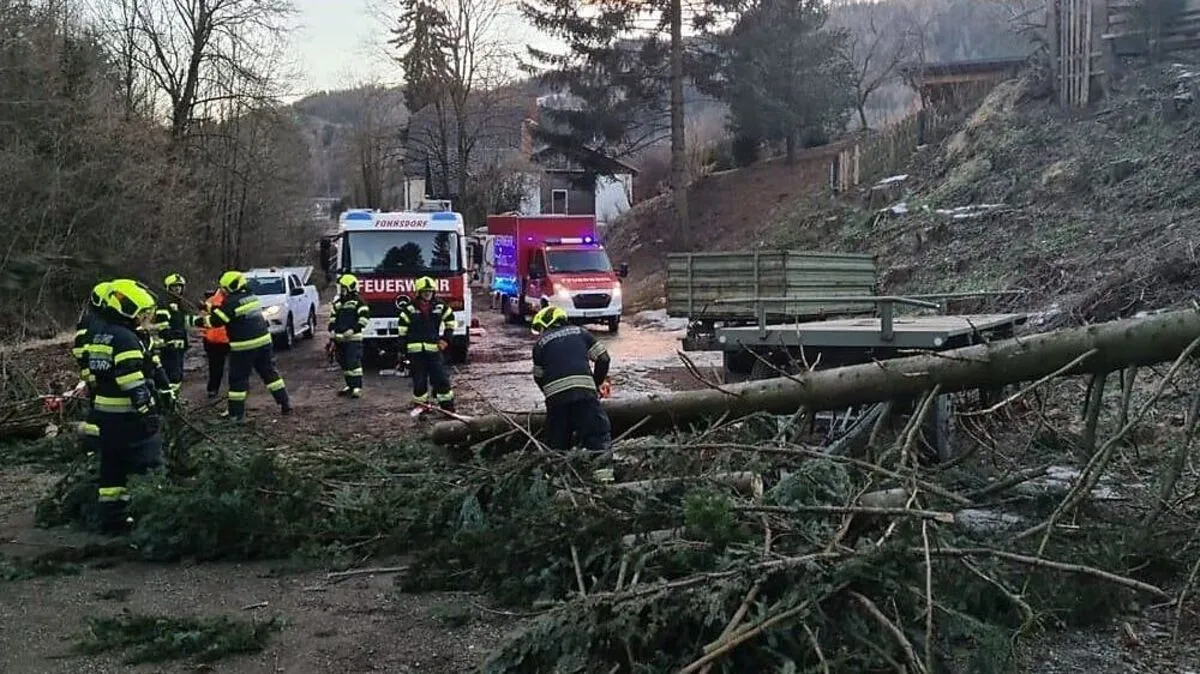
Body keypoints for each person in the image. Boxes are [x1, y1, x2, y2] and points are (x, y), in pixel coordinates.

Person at [86, 278, 165, 534]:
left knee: (112, 468)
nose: (145, 318)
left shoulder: (102, 334)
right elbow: (131, 380)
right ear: (127, 309)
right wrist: (147, 410)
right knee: (148, 462)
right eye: (142, 313)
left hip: (104, 415)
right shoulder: (126, 338)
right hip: (127, 416)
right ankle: (153, 514)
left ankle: (111, 520)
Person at [195, 270, 292, 420]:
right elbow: (227, 311)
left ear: (232, 287)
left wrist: (193, 321)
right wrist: (207, 308)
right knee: (270, 374)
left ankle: (236, 415)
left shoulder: (231, 302)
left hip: (244, 347)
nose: (223, 291)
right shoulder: (250, 297)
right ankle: (285, 403)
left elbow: (216, 321)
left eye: (224, 288)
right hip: (264, 343)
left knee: (238, 380)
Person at [530, 306, 613, 453]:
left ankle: (558, 472)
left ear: (546, 323)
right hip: (585, 396)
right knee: (597, 437)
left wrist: (552, 394)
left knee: (557, 444)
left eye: (540, 328)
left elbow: (538, 377)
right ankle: (603, 474)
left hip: (557, 401)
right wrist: (596, 384)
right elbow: (603, 358)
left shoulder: (539, 345)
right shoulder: (581, 333)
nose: (540, 333)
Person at [396, 276, 456, 412]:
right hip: (415, 352)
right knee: (419, 381)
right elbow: (402, 331)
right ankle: (421, 406)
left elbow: (451, 322)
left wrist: (446, 340)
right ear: (418, 293)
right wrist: (402, 351)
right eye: (424, 292)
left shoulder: (440, 306)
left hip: (434, 350)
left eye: (430, 291)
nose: (427, 294)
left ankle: (447, 407)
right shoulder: (409, 309)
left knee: (441, 379)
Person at [72, 280, 111, 454]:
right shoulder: (88, 322)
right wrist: (89, 374)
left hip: (107, 373)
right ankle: (92, 447)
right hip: (95, 373)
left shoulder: (110, 320)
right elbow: (80, 350)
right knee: (97, 410)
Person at [328, 273, 370, 398]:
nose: (342, 291)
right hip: (339, 339)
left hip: (353, 339)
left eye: (344, 288)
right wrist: (332, 331)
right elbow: (332, 319)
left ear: (350, 288)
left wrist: (353, 330)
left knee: (353, 363)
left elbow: (364, 318)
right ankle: (350, 385)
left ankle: (357, 387)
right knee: (344, 363)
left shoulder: (358, 302)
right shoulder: (338, 303)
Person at [152, 273, 192, 394]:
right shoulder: (164, 302)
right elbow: (162, 324)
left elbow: (184, 323)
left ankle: (174, 397)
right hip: (170, 345)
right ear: (168, 288)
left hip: (179, 344)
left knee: (178, 373)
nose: (177, 289)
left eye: (179, 287)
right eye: (174, 287)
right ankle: (170, 399)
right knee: (172, 374)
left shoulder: (180, 303)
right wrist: (170, 340)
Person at [199, 288, 230, 398]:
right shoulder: (213, 301)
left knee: (220, 367)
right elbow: (202, 321)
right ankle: (213, 389)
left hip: (224, 338)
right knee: (216, 367)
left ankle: (215, 389)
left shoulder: (212, 301)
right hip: (215, 340)